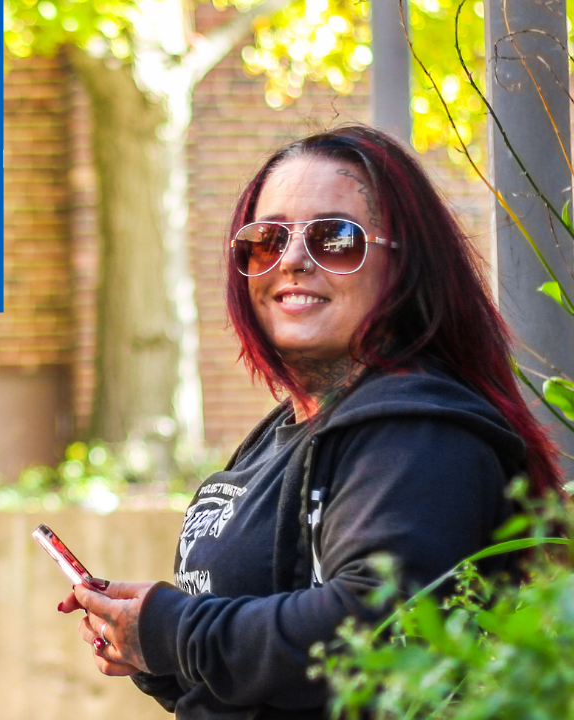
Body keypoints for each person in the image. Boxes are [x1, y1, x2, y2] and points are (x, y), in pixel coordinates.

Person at [57, 124, 562, 718]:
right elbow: (272, 671)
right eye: (268, 240)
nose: (293, 260)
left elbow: (374, 631)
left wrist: (176, 631)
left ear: (403, 265)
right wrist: (153, 650)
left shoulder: (419, 433)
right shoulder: (278, 436)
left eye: (335, 239)